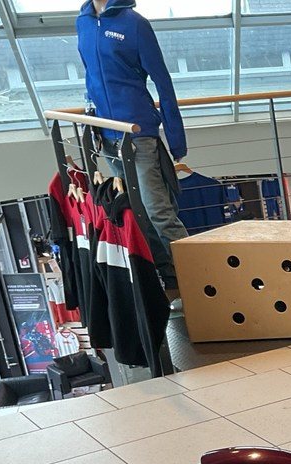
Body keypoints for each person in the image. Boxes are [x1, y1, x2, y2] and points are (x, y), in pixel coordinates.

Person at [76, 0, 189, 289]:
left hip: (137, 133)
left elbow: (163, 83)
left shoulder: (135, 24)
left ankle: (197, 278)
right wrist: (92, 122)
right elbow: (90, 78)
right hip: (106, 135)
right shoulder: (83, 22)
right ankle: (169, 280)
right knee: (136, 215)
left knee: (157, 212)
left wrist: (176, 139)